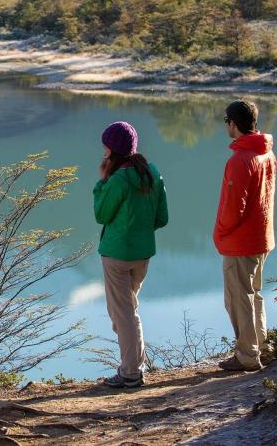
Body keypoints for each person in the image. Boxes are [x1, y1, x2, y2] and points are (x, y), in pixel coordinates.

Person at [94, 121, 168, 388]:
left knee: (123, 314)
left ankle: (131, 373)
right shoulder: (152, 173)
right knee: (129, 310)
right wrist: (140, 231)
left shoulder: (118, 180)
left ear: (112, 149)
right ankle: (135, 365)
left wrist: (101, 183)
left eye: (105, 145)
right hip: (143, 253)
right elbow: (162, 217)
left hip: (116, 255)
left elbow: (101, 214)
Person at [214, 100, 276, 372]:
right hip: (262, 236)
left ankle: (247, 356)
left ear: (233, 123)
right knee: (254, 294)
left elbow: (232, 208)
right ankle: (262, 347)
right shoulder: (266, 154)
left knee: (238, 298)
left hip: (240, 241)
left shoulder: (240, 160)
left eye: (226, 120)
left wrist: (220, 233)